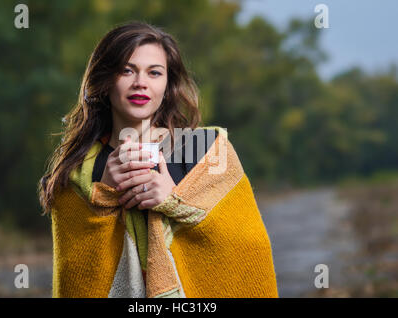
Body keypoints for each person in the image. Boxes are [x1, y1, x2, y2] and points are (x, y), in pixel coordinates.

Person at [38, 21, 278, 298]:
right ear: (105, 80)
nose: (140, 83)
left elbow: (249, 245)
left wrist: (176, 201)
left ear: (168, 84)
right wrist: (102, 194)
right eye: (127, 70)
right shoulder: (80, 167)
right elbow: (76, 274)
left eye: (154, 73)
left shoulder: (207, 149)